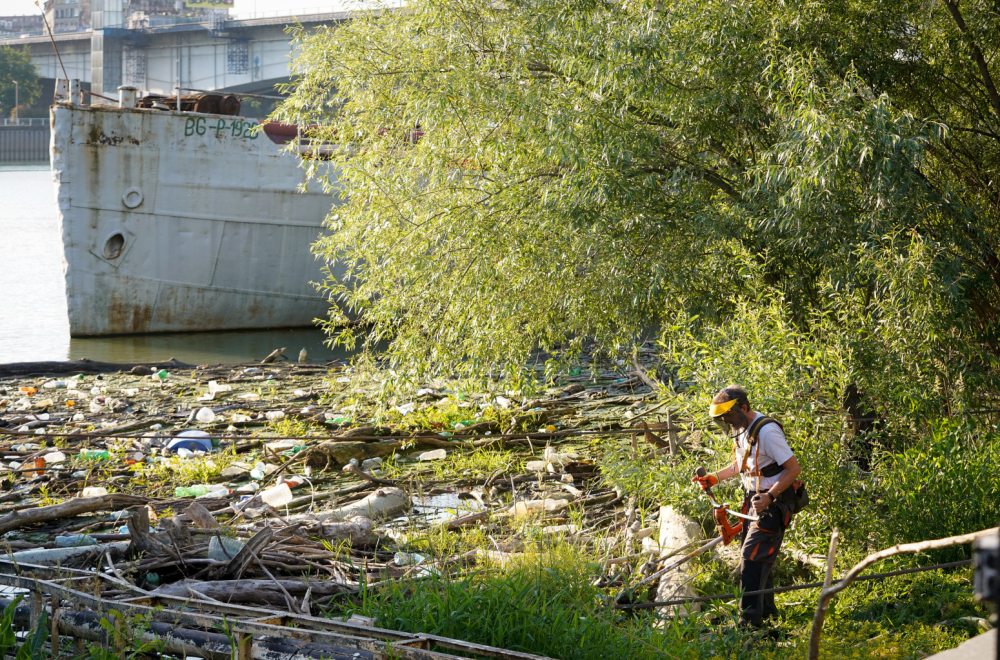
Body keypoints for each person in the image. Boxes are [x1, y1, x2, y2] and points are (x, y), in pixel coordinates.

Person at [692, 384, 802, 627]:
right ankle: (768, 614)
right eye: (721, 418)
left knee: (751, 558)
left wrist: (770, 497)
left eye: (728, 415)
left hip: (773, 504)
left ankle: (748, 626)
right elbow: (742, 465)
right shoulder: (741, 428)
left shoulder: (767, 432)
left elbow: (793, 469)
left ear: (744, 408)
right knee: (757, 558)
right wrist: (714, 477)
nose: (725, 421)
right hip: (753, 500)